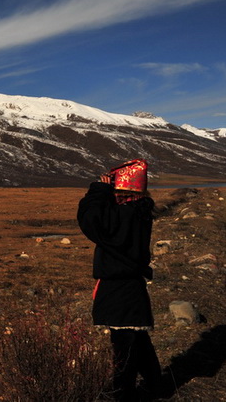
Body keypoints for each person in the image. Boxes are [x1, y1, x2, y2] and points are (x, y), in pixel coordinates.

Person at [77, 159, 163, 401]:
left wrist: (98, 190)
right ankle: (155, 385)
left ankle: (122, 392)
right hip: (131, 285)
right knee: (137, 338)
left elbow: (90, 219)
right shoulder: (139, 212)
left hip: (119, 287)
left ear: (120, 191)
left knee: (123, 343)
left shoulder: (123, 215)